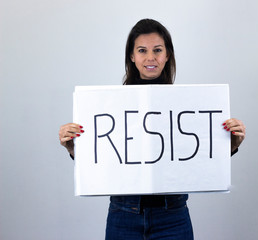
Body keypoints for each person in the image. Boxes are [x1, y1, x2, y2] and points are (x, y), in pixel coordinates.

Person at [59, 19, 246, 240]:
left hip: (173, 216)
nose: (150, 58)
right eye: (142, 50)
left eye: (157, 50)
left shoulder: (188, 105)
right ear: (132, 56)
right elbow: (106, 159)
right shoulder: (110, 106)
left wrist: (230, 145)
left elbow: (197, 158)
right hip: (123, 216)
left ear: (167, 55)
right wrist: (74, 148)